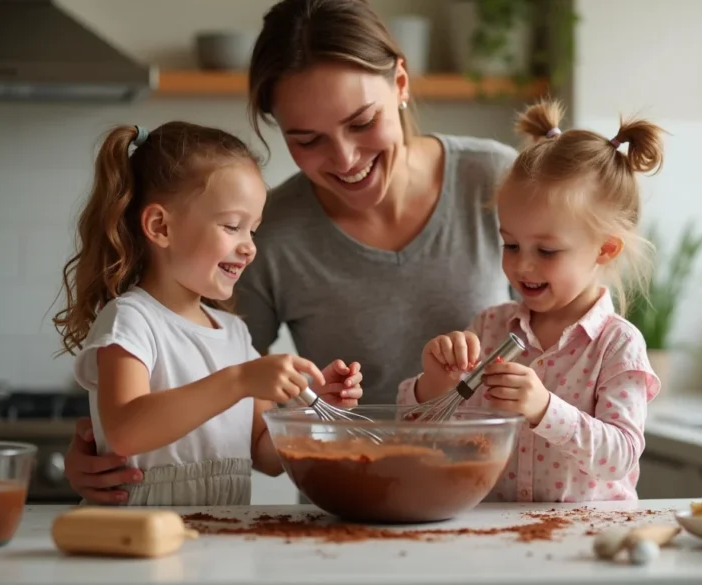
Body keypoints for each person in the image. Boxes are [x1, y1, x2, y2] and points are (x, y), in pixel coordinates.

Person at [62, 0, 515, 503]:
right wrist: (98, 450)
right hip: (345, 507)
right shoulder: (269, 232)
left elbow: (580, 336)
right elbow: (193, 380)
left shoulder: (500, 183)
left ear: (401, 85)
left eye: (362, 122)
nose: (345, 159)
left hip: (500, 499)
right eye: (308, 139)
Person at [53, 121, 362, 506]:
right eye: (233, 226)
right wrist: (238, 381)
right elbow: (125, 432)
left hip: (218, 543)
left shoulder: (235, 334)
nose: (249, 247)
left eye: (253, 230)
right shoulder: (131, 321)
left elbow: (265, 455)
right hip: (134, 537)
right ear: (160, 226)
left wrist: (316, 409)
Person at [398, 99, 664, 503]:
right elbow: (415, 434)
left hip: (587, 548)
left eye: (547, 251)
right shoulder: (488, 328)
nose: (522, 265)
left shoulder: (618, 346)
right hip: (496, 543)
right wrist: (435, 384)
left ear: (605, 250)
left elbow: (620, 458)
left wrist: (544, 409)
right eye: (510, 244)